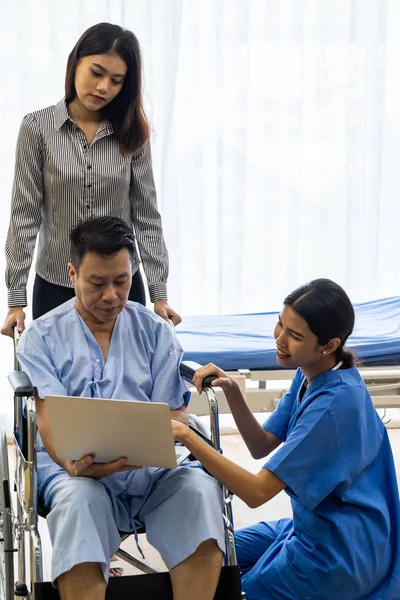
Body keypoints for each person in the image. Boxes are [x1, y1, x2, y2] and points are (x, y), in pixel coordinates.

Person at [16, 216, 225, 600]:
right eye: (97, 283)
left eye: (122, 281)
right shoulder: (40, 338)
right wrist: (72, 463)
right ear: (72, 273)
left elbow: (174, 416)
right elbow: (47, 421)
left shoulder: (156, 331)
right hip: (76, 474)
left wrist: (159, 442)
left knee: (198, 489)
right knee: (78, 504)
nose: (111, 295)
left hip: (152, 472)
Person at [172, 279, 400, 600]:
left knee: (230, 591)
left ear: (329, 344)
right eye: (280, 324)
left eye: (294, 336)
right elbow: (261, 444)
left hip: (339, 551)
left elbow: (257, 492)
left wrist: (188, 435)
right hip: (310, 525)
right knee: (211, 556)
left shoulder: (332, 406)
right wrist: (232, 390)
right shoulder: (309, 373)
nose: (280, 340)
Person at [2, 21, 180, 339]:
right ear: (76, 63)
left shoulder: (134, 133)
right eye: (96, 73)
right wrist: (16, 299)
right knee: (58, 388)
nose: (103, 88)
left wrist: (159, 293)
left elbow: (147, 216)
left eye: (116, 81)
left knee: (124, 385)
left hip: (119, 286)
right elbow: (24, 216)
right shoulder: (36, 128)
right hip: (57, 284)